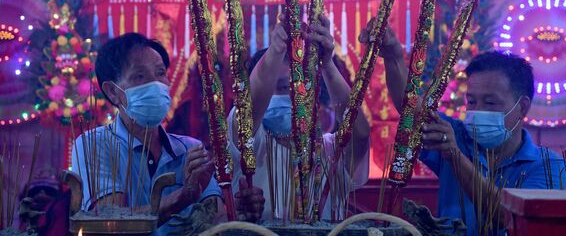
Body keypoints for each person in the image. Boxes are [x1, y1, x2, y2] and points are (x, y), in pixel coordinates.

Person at [359, 20, 565, 235]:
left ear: (522, 107)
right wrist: (393, 56)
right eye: (472, 102)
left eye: (490, 103)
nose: (478, 110)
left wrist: (455, 157)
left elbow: (509, 218)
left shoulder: (549, 167)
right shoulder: (459, 135)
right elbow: (409, 107)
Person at [71, 33, 264, 235]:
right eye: (140, 76)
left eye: (160, 73)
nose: (156, 84)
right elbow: (111, 222)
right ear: (112, 91)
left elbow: (214, 219)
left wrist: (238, 214)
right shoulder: (93, 145)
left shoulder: (190, 148)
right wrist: (182, 197)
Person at [228, 14, 371, 220]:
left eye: (297, 88)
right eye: (282, 88)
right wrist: (276, 50)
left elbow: (360, 133)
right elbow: (249, 110)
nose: (292, 97)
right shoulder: (251, 146)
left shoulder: (330, 151)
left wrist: (327, 65)